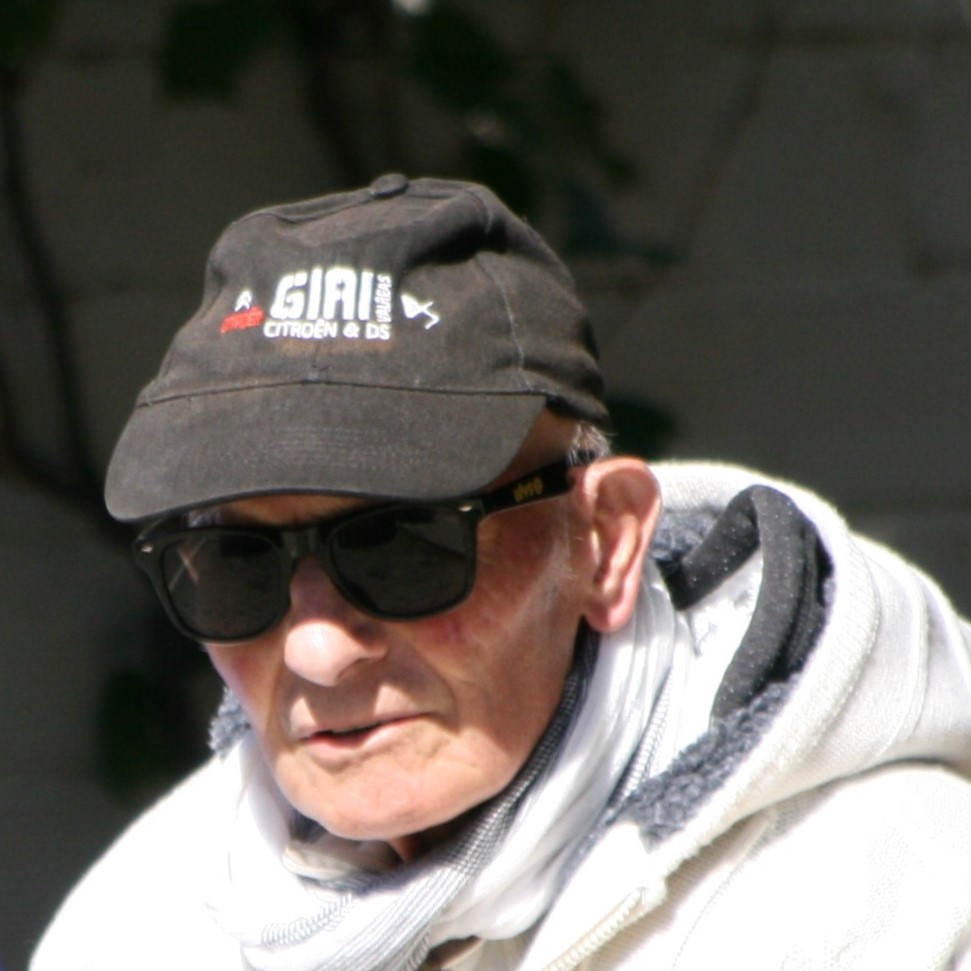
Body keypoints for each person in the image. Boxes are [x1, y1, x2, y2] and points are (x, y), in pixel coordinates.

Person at [31, 174, 971, 970]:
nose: (317, 649)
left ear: (603, 541)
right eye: (238, 563)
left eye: (399, 546)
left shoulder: (887, 903)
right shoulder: (144, 922)